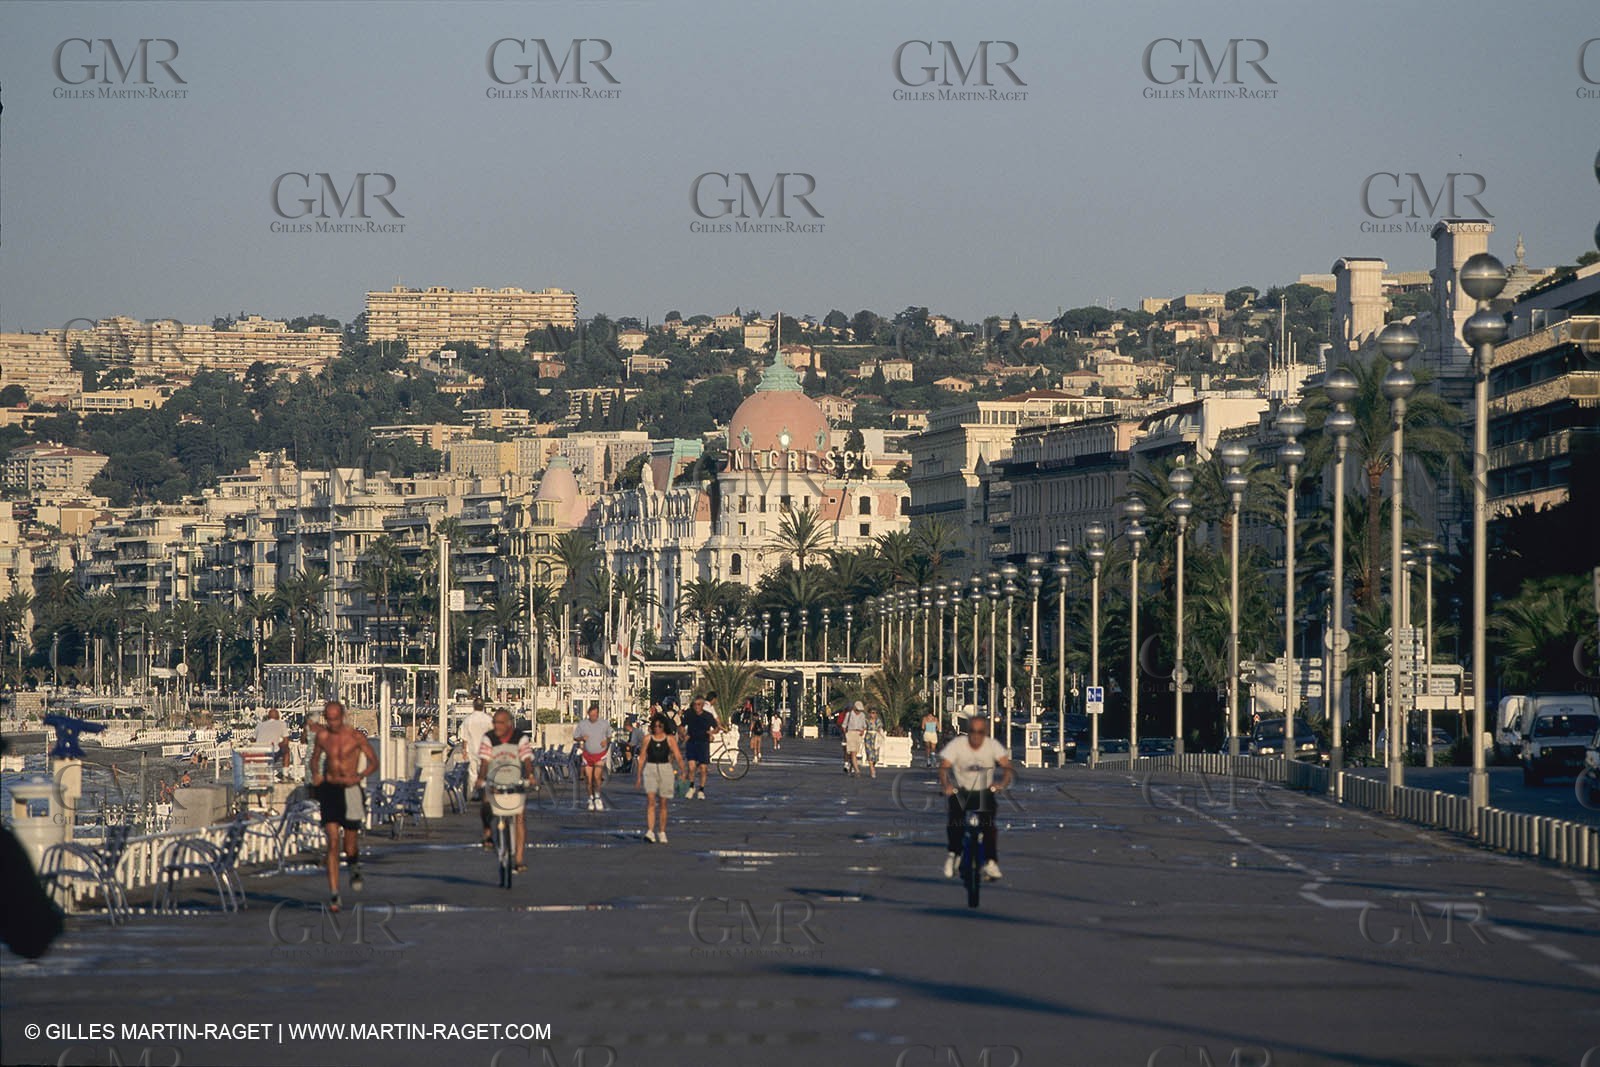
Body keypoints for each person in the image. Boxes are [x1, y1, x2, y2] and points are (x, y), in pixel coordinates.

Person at [309, 699, 379, 912]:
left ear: (343, 716)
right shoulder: (323, 736)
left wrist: (358, 776)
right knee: (332, 841)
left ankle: (354, 864)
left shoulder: (355, 736)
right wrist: (317, 774)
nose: (333, 723)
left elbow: (373, 761)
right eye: (329, 719)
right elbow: (315, 759)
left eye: (336, 719)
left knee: (349, 845)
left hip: (350, 789)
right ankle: (334, 894)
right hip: (330, 789)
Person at [937, 713, 1013, 882]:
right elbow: (944, 768)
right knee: (955, 821)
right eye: (972, 731)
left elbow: (1007, 767)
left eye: (980, 732)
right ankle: (954, 855)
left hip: (984, 791)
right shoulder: (957, 745)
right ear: (968, 731)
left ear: (985, 732)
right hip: (962, 791)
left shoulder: (992, 746)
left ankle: (991, 862)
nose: (976, 736)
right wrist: (947, 786)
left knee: (988, 826)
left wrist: (1001, 784)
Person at [477, 708, 534, 874]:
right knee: (486, 803)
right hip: (495, 782)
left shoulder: (520, 738)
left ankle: (518, 860)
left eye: (500, 723)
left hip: (515, 782)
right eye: (494, 722)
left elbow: (527, 759)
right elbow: (485, 762)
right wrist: (481, 778)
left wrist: (530, 775)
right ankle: (487, 831)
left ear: (509, 723)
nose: (496, 726)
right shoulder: (489, 738)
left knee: (520, 818)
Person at [635, 709, 686, 843]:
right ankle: (650, 831)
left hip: (665, 769)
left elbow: (678, 755)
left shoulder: (669, 740)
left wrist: (683, 771)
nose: (657, 728)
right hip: (650, 768)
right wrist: (639, 775)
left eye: (660, 726)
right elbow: (642, 757)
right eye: (655, 726)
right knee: (651, 801)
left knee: (663, 803)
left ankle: (662, 831)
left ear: (664, 726)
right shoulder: (647, 739)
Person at [680, 696, 720, 800]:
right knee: (692, 767)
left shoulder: (708, 716)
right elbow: (681, 726)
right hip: (692, 742)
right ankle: (691, 786)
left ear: (702, 705)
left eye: (698, 704)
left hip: (703, 743)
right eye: (694, 704)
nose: (696, 707)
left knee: (703, 768)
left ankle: (701, 789)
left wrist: (712, 733)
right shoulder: (689, 714)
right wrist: (683, 734)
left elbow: (716, 727)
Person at [573, 702, 611, 811]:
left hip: (600, 754)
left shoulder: (604, 724)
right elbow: (575, 737)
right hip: (587, 754)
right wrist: (581, 738)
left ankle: (598, 797)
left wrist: (606, 741)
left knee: (597, 777)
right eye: (592, 715)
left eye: (596, 715)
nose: (594, 717)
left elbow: (609, 736)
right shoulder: (582, 724)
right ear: (588, 714)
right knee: (589, 779)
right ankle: (590, 798)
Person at [841, 700, 868, 776]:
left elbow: (864, 725)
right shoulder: (849, 714)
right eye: (857, 710)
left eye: (859, 710)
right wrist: (846, 734)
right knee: (852, 753)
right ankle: (857, 770)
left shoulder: (862, 715)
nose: (858, 712)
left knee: (855, 753)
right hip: (850, 733)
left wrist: (862, 731)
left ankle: (851, 766)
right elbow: (844, 725)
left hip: (858, 734)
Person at [738, 698, 763, 764]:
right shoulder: (760, 721)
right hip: (759, 735)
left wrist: (750, 732)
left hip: (754, 734)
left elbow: (751, 727)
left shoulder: (753, 721)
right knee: (759, 746)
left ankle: (755, 757)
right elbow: (762, 727)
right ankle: (759, 754)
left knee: (754, 746)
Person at [863, 706, 884, 778]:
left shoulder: (878, 721)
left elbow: (880, 728)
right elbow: (864, 727)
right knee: (870, 754)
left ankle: (872, 766)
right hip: (868, 737)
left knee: (875, 756)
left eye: (875, 713)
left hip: (875, 738)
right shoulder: (867, 721)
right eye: (872, 713)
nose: (873, 714)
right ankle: (872, 770)